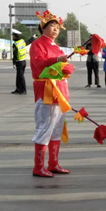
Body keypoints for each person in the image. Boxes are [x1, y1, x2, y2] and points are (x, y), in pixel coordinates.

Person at [30, 10, 73, 178]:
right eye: (52, 26)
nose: (55, 30)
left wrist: (65, 67)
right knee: (45, 128)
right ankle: (38, 166)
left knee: (56, 129)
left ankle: (53, 163)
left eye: (57, 27)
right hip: (46, 91)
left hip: (60, 91)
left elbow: (59, 67)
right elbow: (39, 65)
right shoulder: (38, 44)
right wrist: (57, 61)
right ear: (43, 27)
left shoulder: (56, 46)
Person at [11, 29, 35, 95]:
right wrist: (33, 37)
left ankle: (23, 90)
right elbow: (29, 41)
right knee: (19, 76)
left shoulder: (15, 44)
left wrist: (14, 63)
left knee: (20, 76)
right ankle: (18, 89)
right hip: (24, 62)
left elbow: (15, 54)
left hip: (19, 62)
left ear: (15, 36)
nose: (13, 37)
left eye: (13, 36)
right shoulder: (22, 41)